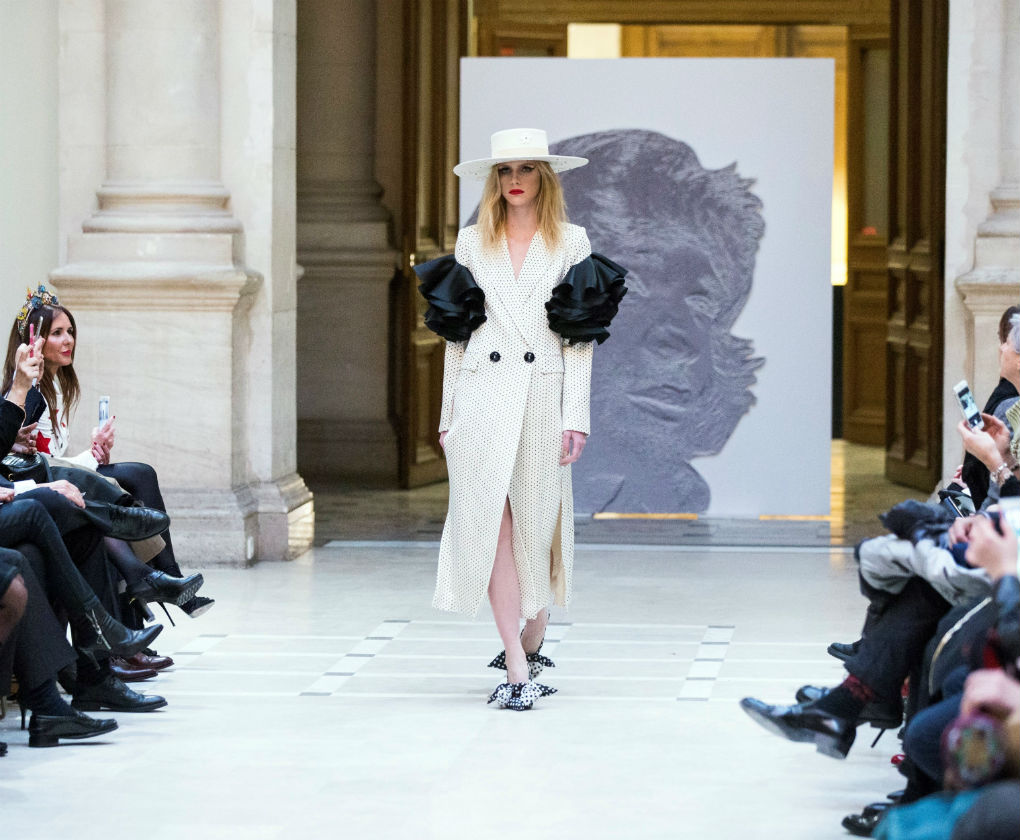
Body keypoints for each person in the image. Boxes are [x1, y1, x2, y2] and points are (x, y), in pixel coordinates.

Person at [414, 128, 626, 710]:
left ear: (544, 178)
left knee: (536, 527)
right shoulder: (470, 244)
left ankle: (533, 635)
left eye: (526, 170)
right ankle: (514, 663)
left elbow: (578, 339)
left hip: (541, 397)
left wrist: (575, 417)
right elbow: (457, 336)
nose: (514, 181)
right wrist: (447, 413)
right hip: (482, 395)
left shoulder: (572, 242)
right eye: (504, 170)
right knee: (489, 526)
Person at [2, 285, 212, 621]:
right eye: (57, 333)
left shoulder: (56, 384)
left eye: (70, 331)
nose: (68, 340)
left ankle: (167, 575)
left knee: (140, 474)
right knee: (121, 489)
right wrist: (91, 457)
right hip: (37, 480)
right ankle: (159, 581)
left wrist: (93, 451)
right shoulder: (28, 389)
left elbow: (55, 455)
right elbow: (39, 465)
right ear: (36, 340)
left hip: (58, 472)